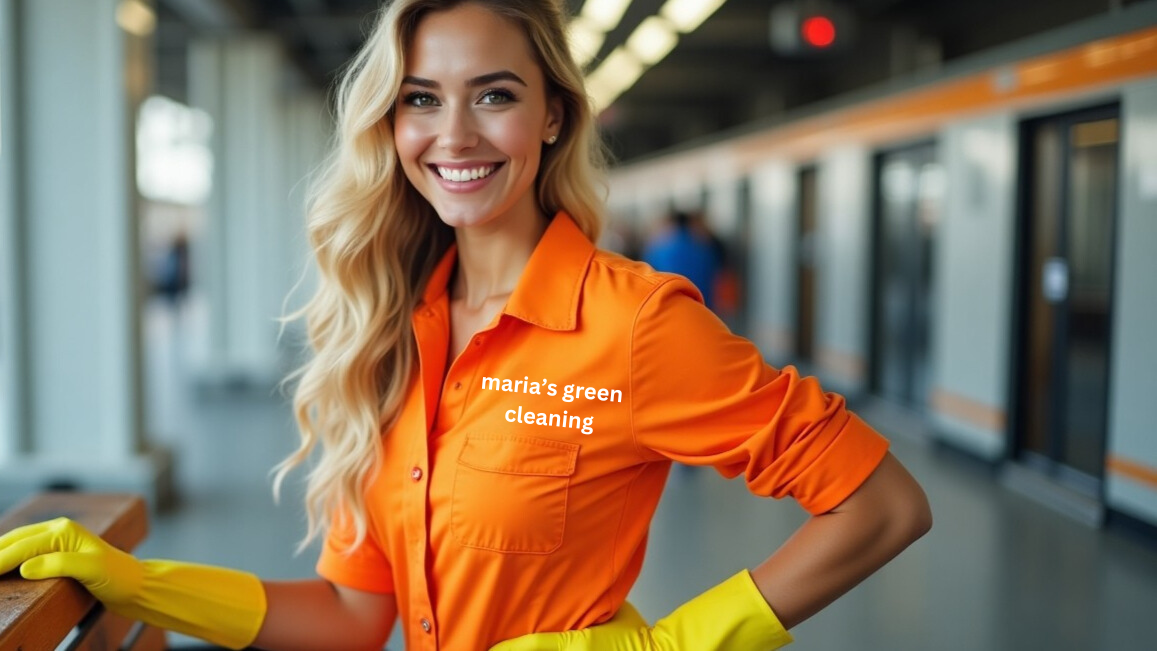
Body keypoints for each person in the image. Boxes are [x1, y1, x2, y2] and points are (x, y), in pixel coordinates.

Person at [0, 1, 932, 650]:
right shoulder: (390, 332)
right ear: (389, 123)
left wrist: (676, 643)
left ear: (553, 116)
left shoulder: (634, 323)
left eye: (493, 94)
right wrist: (138, 581)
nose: (453, 134)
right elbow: (351, 617)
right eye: (419, 97)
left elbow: (882, 504)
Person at [642, 210, 721, 310]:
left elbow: (649, 275)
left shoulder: (658, 249)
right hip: (702, 303)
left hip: (670, 305)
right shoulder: (704, 248)